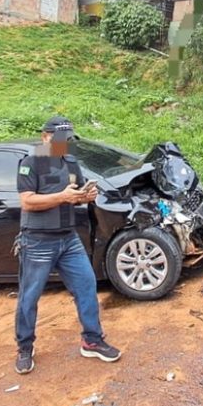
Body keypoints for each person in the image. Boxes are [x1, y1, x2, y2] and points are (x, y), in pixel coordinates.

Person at [13, 116, 121, 374]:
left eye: (68, 139)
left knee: (86, 286)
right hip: (37, 241)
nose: (64, 143)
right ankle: (25, 347)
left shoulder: (71, 162)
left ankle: (92, 340)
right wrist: (63, 196)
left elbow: (76, 197)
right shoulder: (30, 163)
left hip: (68, 239)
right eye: (59, 139)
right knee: (30, 296)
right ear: (45, 137)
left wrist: (87, 196)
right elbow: (27, 201)